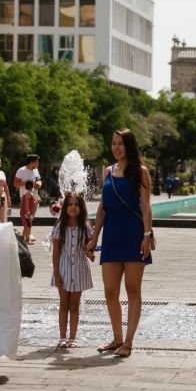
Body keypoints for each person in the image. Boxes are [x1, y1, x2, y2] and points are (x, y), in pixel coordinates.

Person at [86, 129, 153, 358]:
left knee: (133, 290)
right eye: (113, 143)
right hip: (112, 235)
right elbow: (102, 208)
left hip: (134, 234)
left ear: (129, 145)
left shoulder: (140, 172)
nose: (116, 148)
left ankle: (129, 342)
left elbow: (146, 206)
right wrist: (94, 237)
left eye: (120, 143)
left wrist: (147, 235)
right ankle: (116, 338)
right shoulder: (107, 172)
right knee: (110, 290)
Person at [51, 192, 94, 349]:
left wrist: (90, 254)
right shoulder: (59, 227)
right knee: (63, 304)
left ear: (81, 208)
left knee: (74, 305)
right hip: (63, 268)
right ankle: (62, 337)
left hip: (80, 269)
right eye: (70, 204)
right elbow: (56, 253)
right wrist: (56, 273)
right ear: (65, 207)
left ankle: (72, 338)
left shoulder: (86, 227)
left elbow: (89, 248)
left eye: (76, 205)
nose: (73, 207)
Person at [14, 154, 41, 242]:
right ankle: (26, 237)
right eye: (37, 162)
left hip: (34, 196)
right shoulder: (21, 170)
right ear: (32, 162)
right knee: (27, 216)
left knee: (31, 217)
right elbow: (15, 183)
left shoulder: (36, 170)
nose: (38, 164)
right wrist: (26, 183)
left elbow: (39, 180)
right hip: (25, 197)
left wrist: (39, 184)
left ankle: (25, 236)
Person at [0, 157, 11, 223]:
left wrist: (8, 197)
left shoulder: (2, 173)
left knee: (3, 215)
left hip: (2, 196)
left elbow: (5, 186)